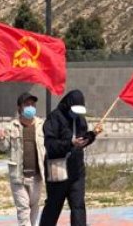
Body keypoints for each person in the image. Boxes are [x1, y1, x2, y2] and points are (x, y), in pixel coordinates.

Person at [39, 90, 100, 226]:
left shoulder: (80, 120)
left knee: (78, 206)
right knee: (53, 206)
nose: (76, 113)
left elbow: (82, 141)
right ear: (67, 105)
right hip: (58, 169)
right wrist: (70, 143)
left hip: (76, 171)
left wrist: (92, 135)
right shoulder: (54, 118)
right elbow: (50, 145)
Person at [0, 92, 45, 226]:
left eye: (32, 104)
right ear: (19, 107)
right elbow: (4, 147)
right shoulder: (12, 126)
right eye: (26, 104)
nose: (30, 107)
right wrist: (1, 138)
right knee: (23, 207)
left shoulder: (41, 125)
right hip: (18, 175)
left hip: (37, 175)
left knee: (34, 206)